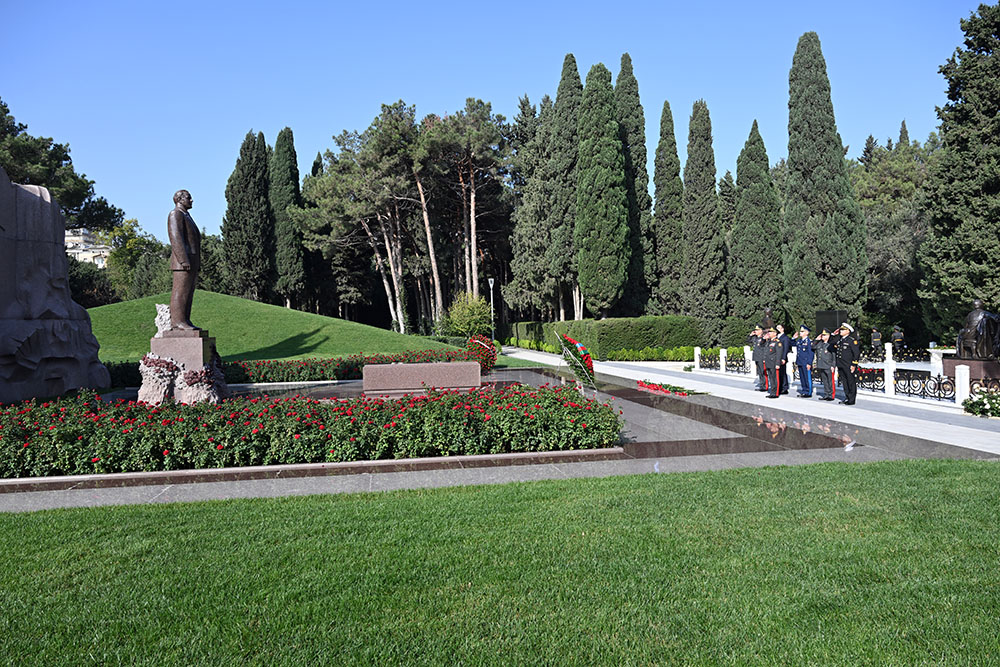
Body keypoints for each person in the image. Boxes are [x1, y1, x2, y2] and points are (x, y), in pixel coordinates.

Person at [167, 189, 201, 330]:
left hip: (191, 259)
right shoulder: (175, 214)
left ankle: (185, 320)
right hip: (183, 261)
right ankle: (178, 321)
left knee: (188, 292)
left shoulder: (185, 215)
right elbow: (175, 237)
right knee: (180, 292)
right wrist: (183, 260)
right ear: (180, 200)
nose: (191, 200)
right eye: (188, 197)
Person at [833, 323, 861, 405]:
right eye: (840, 330)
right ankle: (847, 397)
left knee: (850, 382)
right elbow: (831, 343)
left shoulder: (851, 341)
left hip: (848, 365)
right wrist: (834, 335)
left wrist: (854, 364)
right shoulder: (840, 340)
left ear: (848, 331)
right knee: (844, 382)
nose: (841, 331)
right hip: (841, 364)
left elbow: (856, 353)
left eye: (843, 330)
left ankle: (851, 399)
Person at [813, 329, 836, 400]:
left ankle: (831, 395)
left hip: (828, 365)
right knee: (824, 381)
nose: (822, 336)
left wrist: (833, 365)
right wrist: (816, 339)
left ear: (828, 336)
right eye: (822, 335)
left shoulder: (831, 344)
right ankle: (826, 394)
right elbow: (813, 347)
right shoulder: (820, 343)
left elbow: (834, 356)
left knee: (830, 381)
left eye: (824, 335)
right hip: (821, 365)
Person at [793, 325, 814, 397]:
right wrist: (793, 338)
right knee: (802, 377)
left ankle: (808, 392)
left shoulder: (809, 342)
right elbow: (792, 344)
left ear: (806, 333)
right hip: (800, 362)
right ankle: (804, 390)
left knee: (807, 377)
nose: (800, 333)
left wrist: (809, 363)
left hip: (806, 362)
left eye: (802, 331)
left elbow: (810, 353)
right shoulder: (799, 341)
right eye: (800, 331)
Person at [762, 328, 783, 399]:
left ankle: (776, 393)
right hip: (768, 362)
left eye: (771, 332)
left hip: (774, 363)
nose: (769, 333)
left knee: (775, 378)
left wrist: (778, 364)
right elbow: (765, 350)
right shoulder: (769, 342)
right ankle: (772, 392)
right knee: (771, 378)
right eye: (769, 332)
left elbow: (779, 354)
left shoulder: (777, 342)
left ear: (775, 333)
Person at [749, 326, 766, 391]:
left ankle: (764, 386)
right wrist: (750, 335)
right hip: (756, 357)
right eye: (755, 330)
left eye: (757, 330)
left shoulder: (763, 338)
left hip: (761, 357)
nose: (755, 331)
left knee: (763, 372)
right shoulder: (755, 338)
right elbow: (748, 341)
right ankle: (762, 385)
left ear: (761, 331)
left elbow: (764, 349)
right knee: (759, 372)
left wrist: (764, 358)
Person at [776, 324, 791, 395]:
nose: (778, 329)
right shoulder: (776, 337)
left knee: (782, 373)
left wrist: (783, 358)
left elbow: (786, 348)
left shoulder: (785, 338)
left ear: (783, 329)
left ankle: (784, 388)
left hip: (782, 358)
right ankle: (779, 387)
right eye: (777, 328)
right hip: (776, 358)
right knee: (778, 373)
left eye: (779, 328)